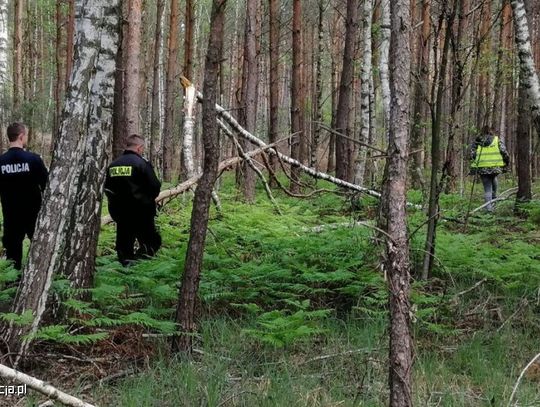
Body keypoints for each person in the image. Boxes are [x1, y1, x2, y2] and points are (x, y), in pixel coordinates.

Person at [104, 134, 161, 266]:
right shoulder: (141, 164)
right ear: (139, 148)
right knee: (151, 242)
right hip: (141, 212)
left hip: (120, 213)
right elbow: (155, 186)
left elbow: (107, 188)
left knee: (124, 245)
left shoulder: (113, 165)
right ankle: (141, 267)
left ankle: (127, 269)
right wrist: (147, 199)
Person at [0, 122, 48, 270]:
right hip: (34, 214)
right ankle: (36, 280)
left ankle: (12, 285)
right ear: (21, 136)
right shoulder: (34, 159)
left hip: (11, 215)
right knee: (39, 250)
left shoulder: (1, 162)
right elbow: (47, 185)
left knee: (13, 256)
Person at [470, 126, 510, 212]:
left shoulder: (477, 142)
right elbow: (504, 152)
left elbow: (472, 155)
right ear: (490, 132)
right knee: (494, 179)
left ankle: (489, 209)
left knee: (487, 188)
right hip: (495, 167)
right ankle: (493, 203)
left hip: (482, 168)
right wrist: (506, 162)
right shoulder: (496, 140)